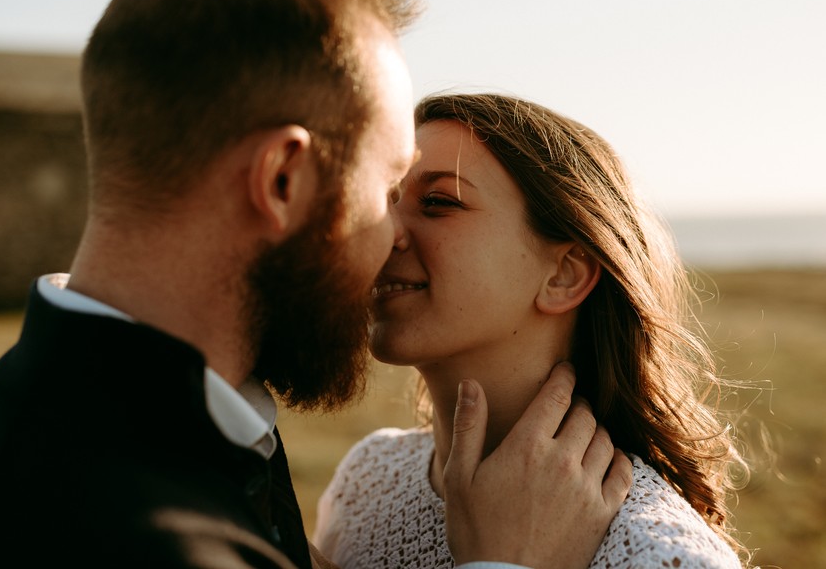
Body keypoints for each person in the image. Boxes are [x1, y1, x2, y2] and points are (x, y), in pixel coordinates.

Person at [0, 0, 632, 568]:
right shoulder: (146, 533)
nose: (392, 237)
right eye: (385, 190)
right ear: (284, 181)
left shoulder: (87, 414)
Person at [313, 93, 750, 568]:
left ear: (564, 274)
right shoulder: (367, 478)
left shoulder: (662, 556)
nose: (384, 230)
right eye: (384, 201)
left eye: (438, 202)